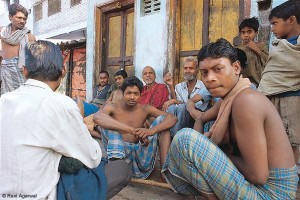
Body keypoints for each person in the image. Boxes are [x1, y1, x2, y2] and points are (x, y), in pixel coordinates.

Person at [162, 38, 298, 199]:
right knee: (197, 138)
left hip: (270, 194)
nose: (209, 78)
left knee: (184, 140)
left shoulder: (246, 100)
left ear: (236, 67)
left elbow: (258, 176)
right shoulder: (229, 99)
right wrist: (206, 147)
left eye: (218, 69)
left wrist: (211, 152)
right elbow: (201, 119)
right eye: (204, 73)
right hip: (256, 186)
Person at [0, 40, 130, 199]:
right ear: (63, 70)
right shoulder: (62, 104)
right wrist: (80, 121)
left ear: (24, 71)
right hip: (40, 194)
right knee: (120, 169)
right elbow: (93, 157)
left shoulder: (3, 100)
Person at [93, 76, 177, 179]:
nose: (132, 97)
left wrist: (151, 131)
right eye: (129, 93)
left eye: (136, 94)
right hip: (120, 155)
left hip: (141, 155)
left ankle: (164, 172)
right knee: (107, 124)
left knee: (163, 124)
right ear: (123, 93)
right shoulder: (112, 106)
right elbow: (97, 117)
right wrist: (132, 130)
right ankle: (116, 171)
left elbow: (172, 118)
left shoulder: (145, 108)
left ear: (140, 95)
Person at [258, 0, 300, 172]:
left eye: (275, 23)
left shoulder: (295, 44)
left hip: (290, 99)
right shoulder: (279, 44)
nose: (273, 28)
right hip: (272, 97)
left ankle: (288, 178)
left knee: (291, 142)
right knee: (275, 139)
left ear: (291, 20)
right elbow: (272, 74)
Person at [163, 56, 209, 137]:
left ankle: (175, 138)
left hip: (197, 119)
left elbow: (187, 106)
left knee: (182, 107)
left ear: (197, 70)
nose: (188, 71)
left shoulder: (203, 86)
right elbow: (178, 103)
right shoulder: (179, 86)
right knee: (171, 108)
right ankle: (168, 136)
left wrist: (174, 101)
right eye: (185, 68)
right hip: (181, 119)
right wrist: (170, 86)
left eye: (191, 68)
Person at [0, 3, 35, 95]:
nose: (22, 21)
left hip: (21, 73)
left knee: (21, 99)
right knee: (6, 99)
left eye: (24, 19)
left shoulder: (30, 37)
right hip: (5, 72)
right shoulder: (3, 32)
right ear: (10, 17)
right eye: (19, 18)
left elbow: (33, 59)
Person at [236, 17, 268, 87]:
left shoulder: (261, 46)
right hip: (243, 83)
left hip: (259, 84)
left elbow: (269, 62)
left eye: (249, 32)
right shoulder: (237, 49)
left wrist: (256, 49)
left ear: (256, 33)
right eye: (243, 33)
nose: (246, 35)